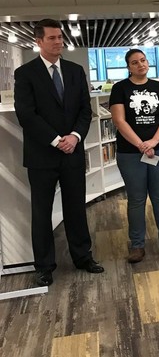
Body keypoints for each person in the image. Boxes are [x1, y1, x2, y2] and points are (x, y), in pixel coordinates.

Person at [14, 18, 104, 287]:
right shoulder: (26, 74)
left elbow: (85, 110)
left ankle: (82, 256)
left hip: (73, 152)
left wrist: (75, 137)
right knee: (41, 211)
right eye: (52, 38)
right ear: (38, 41)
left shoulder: (76, 71)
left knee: (76, 206)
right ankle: (44, 266)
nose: (58, 42)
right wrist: (56, 140)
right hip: (42, 154)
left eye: (60, 37)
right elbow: (26, 115)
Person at [109, 49, 159, 263]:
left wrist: (154, 142)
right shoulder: (120, 88)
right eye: (134, 62)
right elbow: (119, 121)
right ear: (128, 67)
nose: (140, 65)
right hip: (130, 152)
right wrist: (141, 144)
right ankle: (137, 245)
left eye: (143, 60)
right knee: (136, 200)